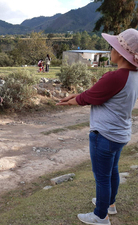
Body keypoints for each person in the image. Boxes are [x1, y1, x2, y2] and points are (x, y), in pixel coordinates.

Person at [57, 28, 138, 225]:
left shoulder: (116, 77)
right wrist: (74, 97)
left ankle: (100, 216)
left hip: (105, 134)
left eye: (112, 47)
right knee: (113, 171)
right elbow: (93, 94)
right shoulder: (134, 76)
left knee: (102, 178)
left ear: (120, 52)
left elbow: (88, 97)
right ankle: (109, 204)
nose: (110, 50)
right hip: (120, 133)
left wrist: (69, 100)